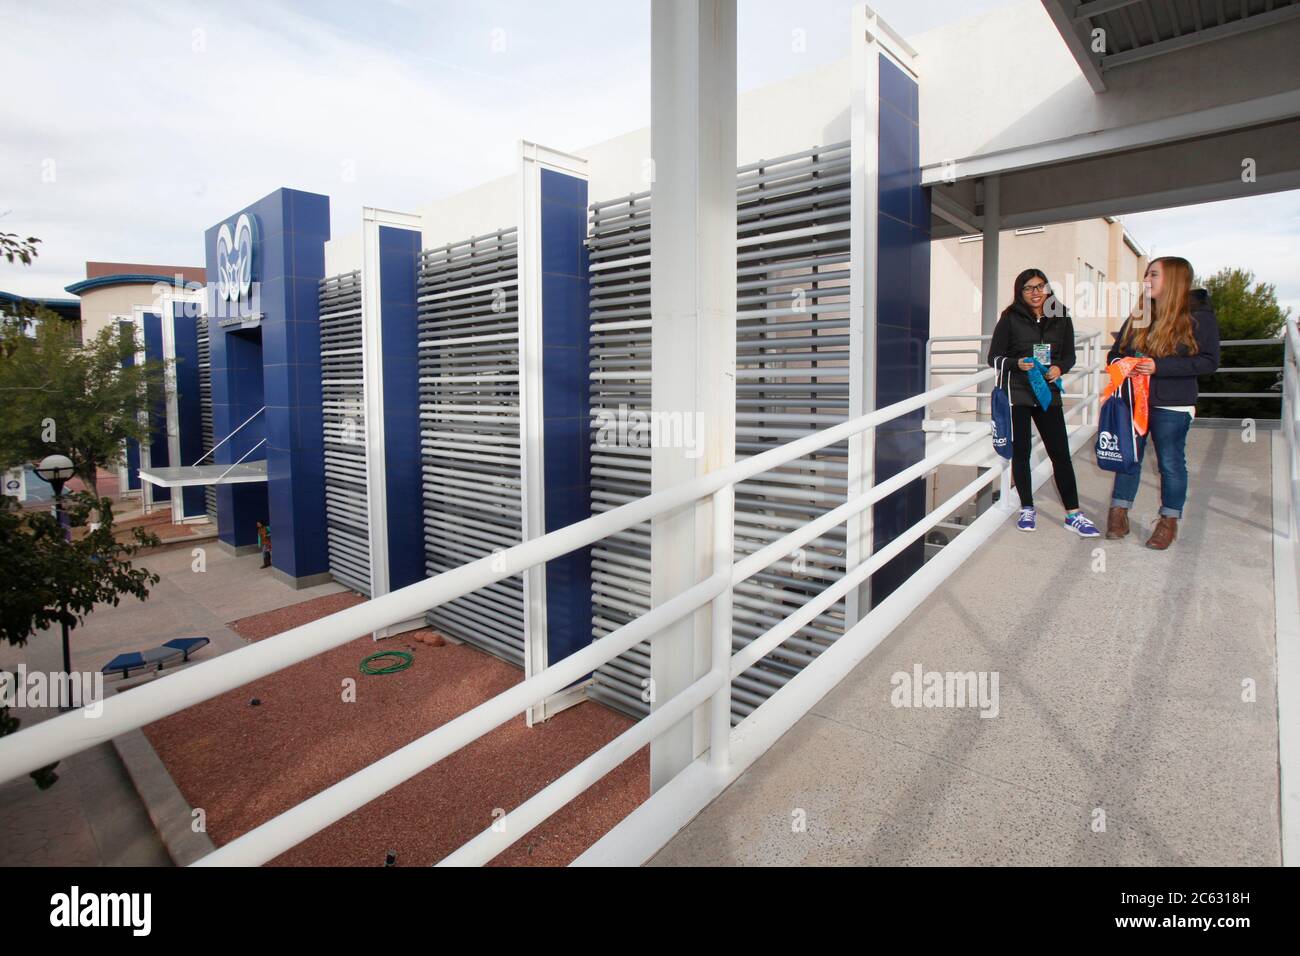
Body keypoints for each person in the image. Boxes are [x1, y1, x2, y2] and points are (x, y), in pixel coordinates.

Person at [1105, 256, 1220, 549]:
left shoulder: (1199, 316)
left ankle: (1168, 521)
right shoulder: (1140, 313)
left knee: (1170, 463)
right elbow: (1114, 354)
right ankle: (1118, 514)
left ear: (1175, 279)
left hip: (1173, 404)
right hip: (1134, 400)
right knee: (1129, 457)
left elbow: (1209, 362)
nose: (1146, 280)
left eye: (1153, 274)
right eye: (1146, 274)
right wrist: (1124, 363)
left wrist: (1159, 367)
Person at [987, 268, 1100, 537]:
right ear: (1020, 292)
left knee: (1060, 452)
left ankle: (1073, 513)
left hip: (1048, 392)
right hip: (1018, 392)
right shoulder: (1009, 318)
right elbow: (994, 357)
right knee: (1022, 452)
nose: (1036, 292)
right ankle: (1027, 507)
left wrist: (1060, 367)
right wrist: (1018, 363)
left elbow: (1069, 356)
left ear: (1048, 288)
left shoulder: (1061, 317)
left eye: (1040, 286)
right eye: (1029, 288)